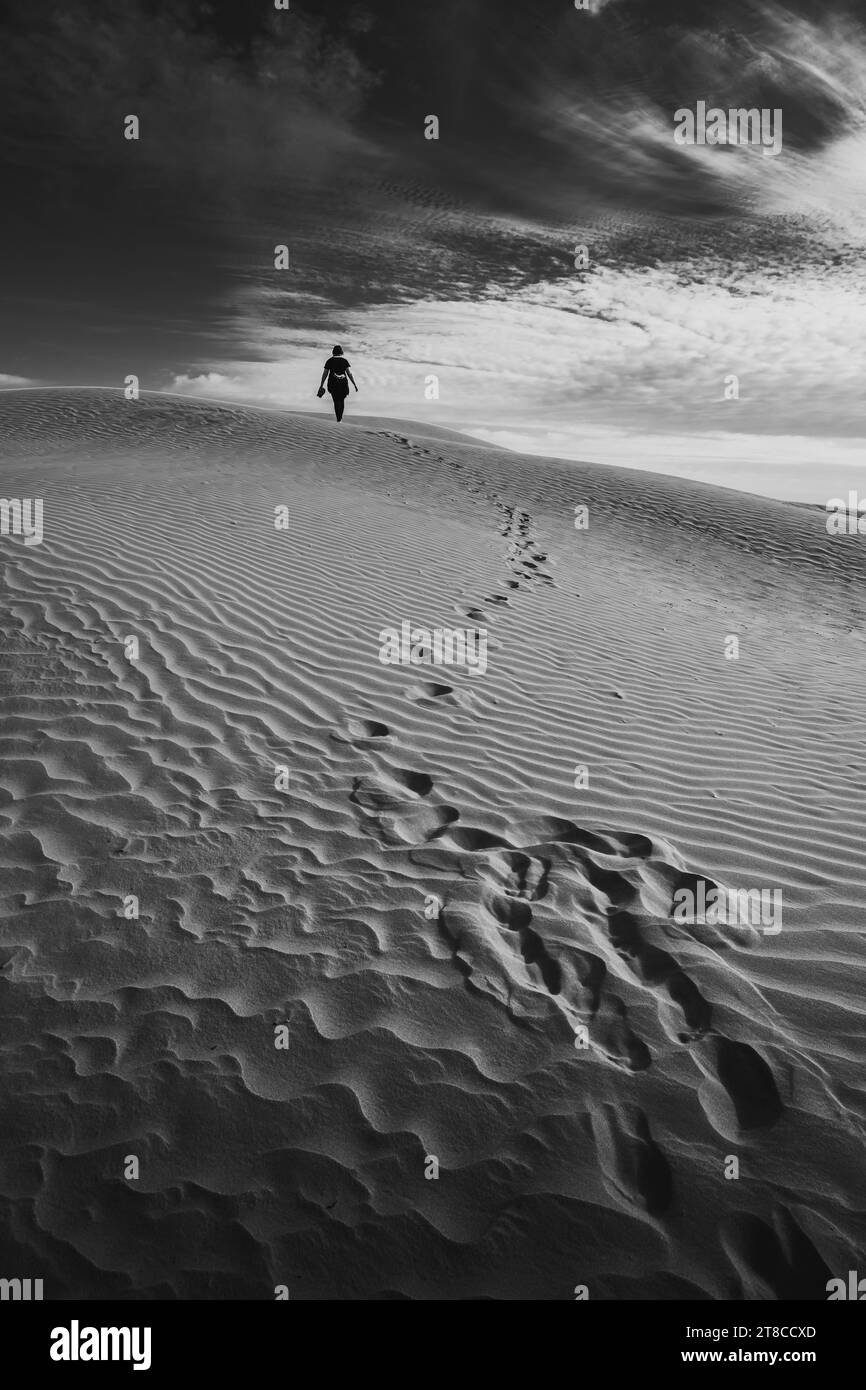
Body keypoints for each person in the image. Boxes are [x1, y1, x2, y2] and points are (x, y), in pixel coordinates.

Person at [317, 345, 358, 422]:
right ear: (341, 352)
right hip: (343, 383)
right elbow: (349, 374)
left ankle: (338, 419)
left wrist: (321, 385)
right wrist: (354, 384)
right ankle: (340, 419)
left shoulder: (329, 361)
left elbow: (325, 374)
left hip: (333, 383)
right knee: (341, 401)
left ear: (333, 352)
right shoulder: (344, 361)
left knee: (336, 401)